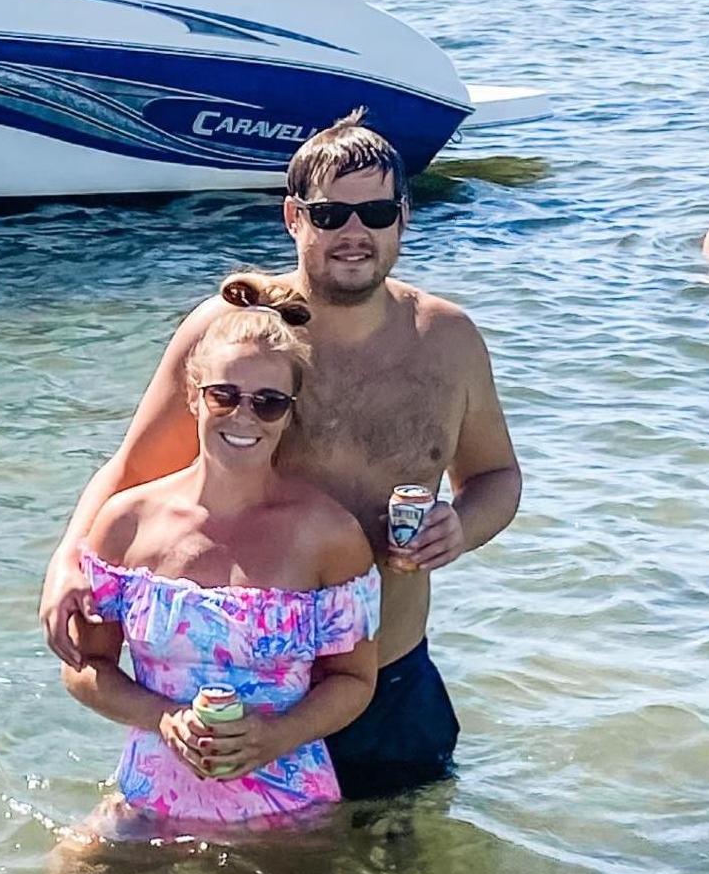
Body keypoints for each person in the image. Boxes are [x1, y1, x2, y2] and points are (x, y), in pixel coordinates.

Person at [39, 113, 522, 800]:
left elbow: (497, 477)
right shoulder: (234, 332)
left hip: (385, 678)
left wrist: (461, 527)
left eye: (376, 211)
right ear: (294, 218)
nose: (354, 233)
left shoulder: (447, 339)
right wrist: (67, 561)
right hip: (249, 692)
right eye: (331, 214)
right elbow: (134, 469)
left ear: (403, 218)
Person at [58, 284, 380, 837]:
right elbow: (84, 670)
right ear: (193, 396)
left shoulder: (330, 535)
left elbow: (354, 680)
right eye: (224, 395)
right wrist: (163, 718)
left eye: (268, 401)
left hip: (289, 811)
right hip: (149, 799)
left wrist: (275, 737)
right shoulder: (126, 523)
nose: (244, 416)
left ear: (288, 414)